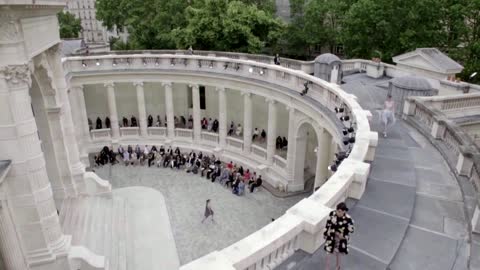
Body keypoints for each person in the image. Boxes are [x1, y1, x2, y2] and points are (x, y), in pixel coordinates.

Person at [323, 202, 355, 270]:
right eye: (337, 210)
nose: (337, 212)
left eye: (339, 211)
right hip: (331, 237)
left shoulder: (348, 219)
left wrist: (343, 235)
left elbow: (351, 230)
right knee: (328, 253)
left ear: (344, 211)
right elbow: (328, 224)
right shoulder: (332, 214)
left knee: (338, 254)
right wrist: (325, 233)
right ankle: (327, 268)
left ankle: (337, 267)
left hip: (340, 240)